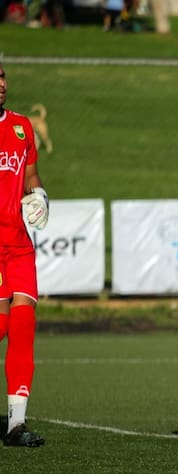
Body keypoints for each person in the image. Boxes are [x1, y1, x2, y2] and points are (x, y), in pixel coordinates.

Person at [0, 64, 49, 447]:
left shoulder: (21, 127)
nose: (1, 84)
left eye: (2, 77)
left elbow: (31, 174)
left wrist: (38, 194)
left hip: (20, 245)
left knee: (23, 327)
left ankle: (16, 424)